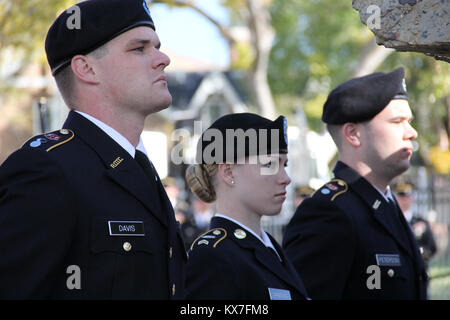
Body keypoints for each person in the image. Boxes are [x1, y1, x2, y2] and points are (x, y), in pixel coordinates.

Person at [0, 0, 186, 299]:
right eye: (139, 48)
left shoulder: (140, 169)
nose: (162, 58)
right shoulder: (48, 170)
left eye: (157, 46)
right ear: (86, 69)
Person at [283, 68, 428, 300]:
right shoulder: (329, 213)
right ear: (353, 134)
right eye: (397, 121)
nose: (411, 132)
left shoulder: (385, 205)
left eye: (409, 121)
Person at [185, 113, 309, 300]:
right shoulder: (214, 257)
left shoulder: (269, 249)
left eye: (285, 164)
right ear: (228, 172)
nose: (286, 178)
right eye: (270, 164)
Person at [393, 182, 437, 268]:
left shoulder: (421, 221)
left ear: (412, 199)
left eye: (407, 197)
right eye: (402, 197)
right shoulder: (392, 220)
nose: (405, 200)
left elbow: (432, 247)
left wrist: (420, 252)